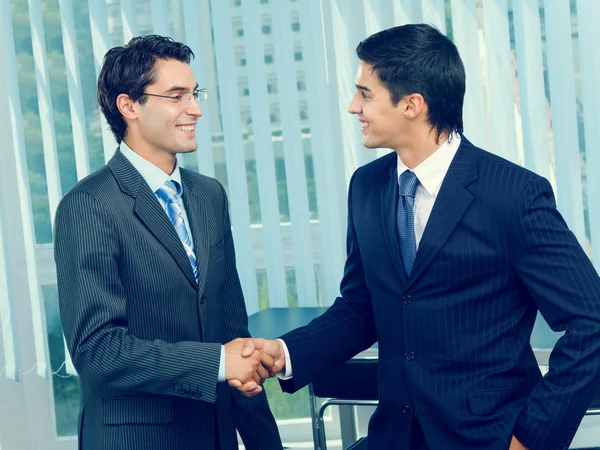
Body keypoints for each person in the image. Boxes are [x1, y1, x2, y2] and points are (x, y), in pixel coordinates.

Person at [231, 24, 600, 450]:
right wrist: (284, 353)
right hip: (395, 436)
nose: (354, 107)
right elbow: (361, 307)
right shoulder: (367, 187)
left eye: (365, 93)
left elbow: (590, 324)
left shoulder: (513, 194)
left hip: (488, 437)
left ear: (412, 104)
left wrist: (531, 439)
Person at [54, 35, 282, 450]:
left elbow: (233, 332)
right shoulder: (87, 205)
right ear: (129, 106)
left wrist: (265, 442)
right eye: (177, 96)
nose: (194, 109)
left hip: (214, 435)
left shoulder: (209, 195)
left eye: (195, 94)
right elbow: (96, 350)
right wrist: (216, 362)